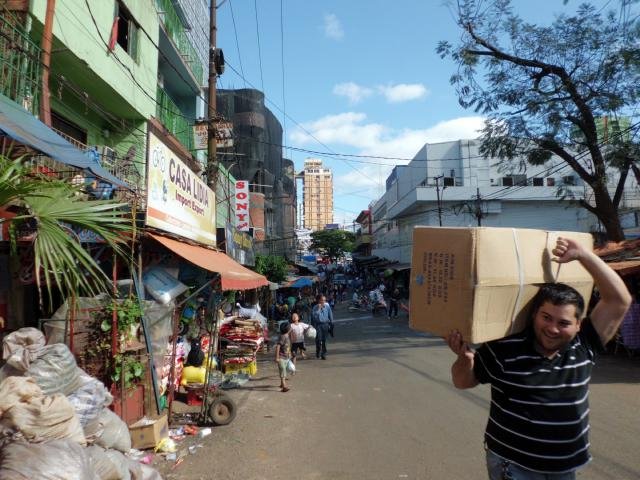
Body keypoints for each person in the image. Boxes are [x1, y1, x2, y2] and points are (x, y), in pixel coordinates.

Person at [447, 237, 631, 479]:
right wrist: (465, 360)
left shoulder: (584, 345)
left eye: (563, 322)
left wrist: (584, 255)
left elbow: (620, 300)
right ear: (534, 315)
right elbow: (463, 382)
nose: (552, 328)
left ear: (579, 325)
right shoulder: (504, 348)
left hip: (565, 468)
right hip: (513, 465)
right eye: (546, 317)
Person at [311, 294, 333, 360]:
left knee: (325, 340)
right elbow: (313, 316)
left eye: (324, 300)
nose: (323, 301)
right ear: (318, 300)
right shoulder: (315, 307)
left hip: (325, 324)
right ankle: (318, 351)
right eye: (322, 300)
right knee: (318, 340)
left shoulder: (327, 307)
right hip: (318, 325)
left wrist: (331, 323)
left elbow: (330, 314)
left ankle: (324, 354)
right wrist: (319, 309)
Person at [274, 321, 292, 392]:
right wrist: (277, 357)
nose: (291, 328)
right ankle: (284, 386)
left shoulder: (287, 335)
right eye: (290, 327)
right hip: (281, 358)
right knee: (283, 371)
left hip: (286, 357)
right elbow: (278, 346)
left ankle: (282, 384)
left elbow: (287, 346)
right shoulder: (283, 336)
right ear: (287, 329)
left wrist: (289, 353)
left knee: (283, 370)